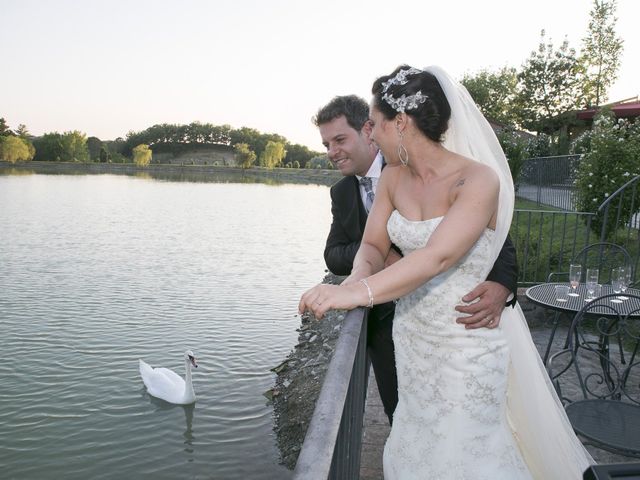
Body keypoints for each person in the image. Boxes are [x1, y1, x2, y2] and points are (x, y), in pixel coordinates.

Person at [300, 66, 593, 479]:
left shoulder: (477, 180)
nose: (372, 133)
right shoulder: (392, 178)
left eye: (375, 123)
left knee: (464, 454)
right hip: (412, 342)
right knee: (415, 450)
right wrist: (352, 279)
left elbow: (437, 256)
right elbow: (371, 245)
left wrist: (355, 294)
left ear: (399, 123)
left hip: (464, 344)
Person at [314, 95, 518, 424]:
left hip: (456, 324)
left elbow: (494, 234)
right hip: (388, 328)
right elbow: (334, 254)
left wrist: (502, 283)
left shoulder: (446, 173)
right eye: (326, 144)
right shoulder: (341, 193)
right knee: (404, 421)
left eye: (339, 140)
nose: (331, 152)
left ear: (367, 130)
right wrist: (381, 256)